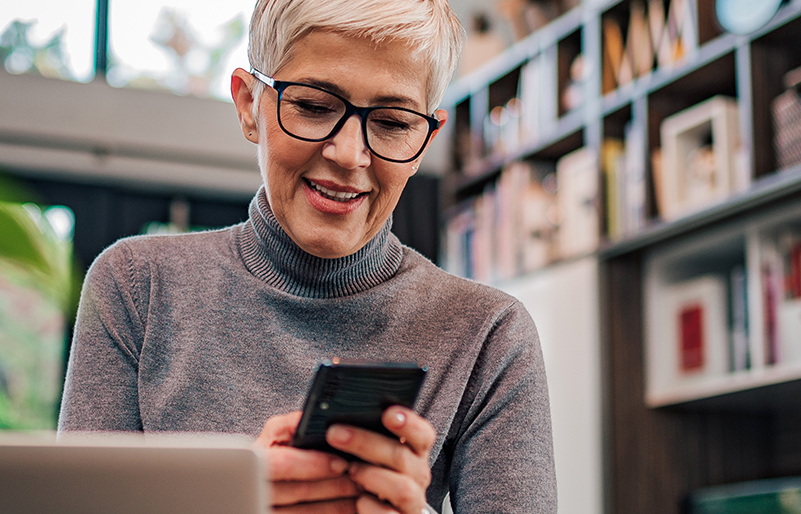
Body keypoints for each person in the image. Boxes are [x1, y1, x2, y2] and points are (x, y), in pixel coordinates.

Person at [57, 0, 556, 512]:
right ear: (249, 105)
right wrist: (232, 500)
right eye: (315, 107)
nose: (349, 154)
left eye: (391, 122)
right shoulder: (136, 287)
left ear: (424, 141)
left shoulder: (488, 334)